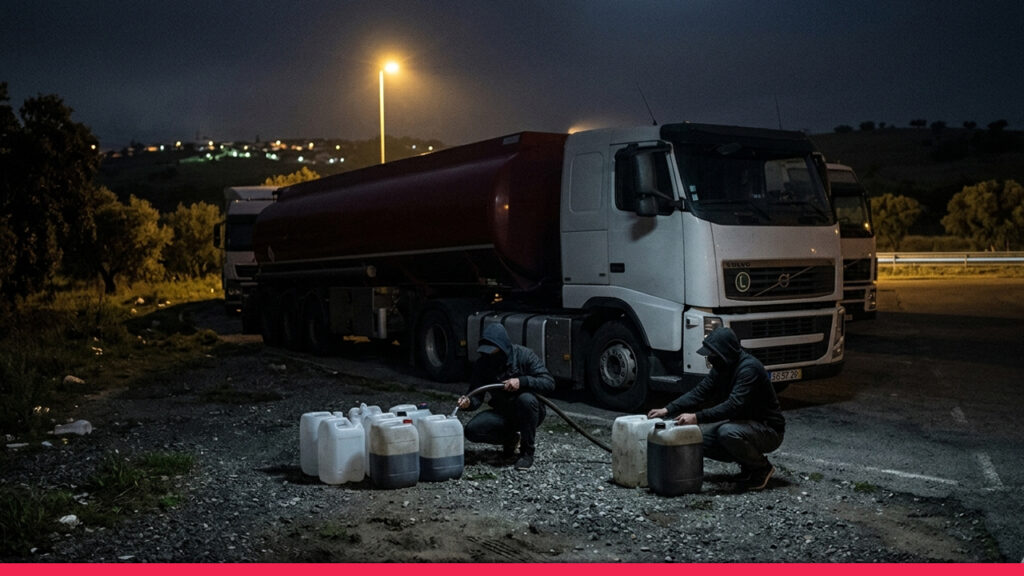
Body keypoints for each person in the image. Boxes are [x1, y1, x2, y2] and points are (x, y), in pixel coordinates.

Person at [647, 326, 785, 491]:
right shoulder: (723, 367)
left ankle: (761, 468)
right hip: (745, 426)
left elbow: (732, 406)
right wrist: (668, 409)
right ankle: (748, 466)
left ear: (724, 352)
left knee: (727, 433)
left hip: (769, 431)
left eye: (712, 354)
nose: (710, 358)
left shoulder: (749, 369)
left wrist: (696, 417)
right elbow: (700, 392)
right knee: (697, 440)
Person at [457, 323, 555, 470]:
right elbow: (476, 396)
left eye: (493, 351)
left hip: (529, 412)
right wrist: (468, 402)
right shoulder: (483, 364)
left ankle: (527, 453)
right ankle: (510, 438)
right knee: (472, 430)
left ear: (503, 348)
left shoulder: (524, 355)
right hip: (503, 412)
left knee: (526, 400)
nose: (490, 355)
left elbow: (548, 382)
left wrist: (521, 381)